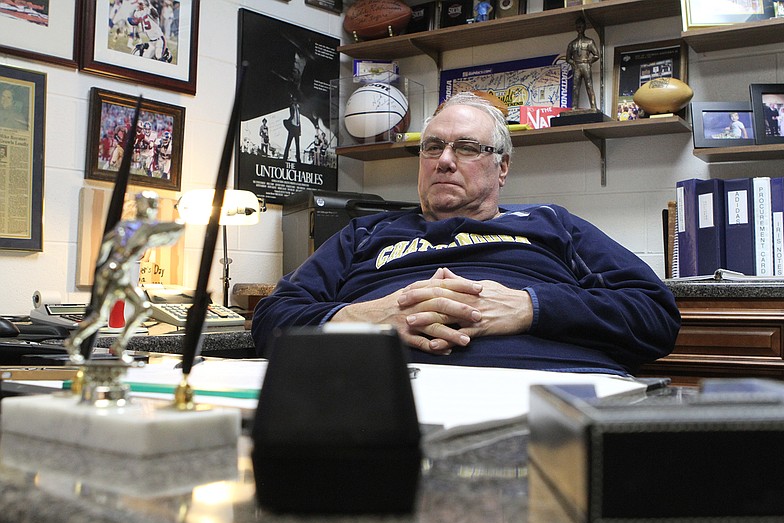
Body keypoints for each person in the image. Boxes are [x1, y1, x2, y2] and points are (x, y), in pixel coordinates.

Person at [251, 92, 681, 376]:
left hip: (549, 393)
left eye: (468, 148)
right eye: (433, 147)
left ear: (503, 166)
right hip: (382, 397)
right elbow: (272, 319)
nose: (444, 161)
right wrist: (365, 319)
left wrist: (531, 307)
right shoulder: (363, 233)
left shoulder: (551, 223)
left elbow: (655, 315)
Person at [65, 191, 184, 364]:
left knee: (137, 308)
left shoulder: (124, 225)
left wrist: (101, 266)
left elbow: (105, 244)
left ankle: (114, 345)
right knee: (101, 316)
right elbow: (173, 229)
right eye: (152, 205)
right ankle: (75, 342)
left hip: (112, 271)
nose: (154, 209)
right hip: (116, 273)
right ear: (143, 206)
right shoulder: (145, 227)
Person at [565, 16, 599, 111]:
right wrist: (573, 63)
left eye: (581, 25)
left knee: (589, 85)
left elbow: (596, 55)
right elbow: (568, 58)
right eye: (578, 26)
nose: (579, 27)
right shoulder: (572, 44)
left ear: (585, 27)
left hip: (586, 65)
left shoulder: (589, 41)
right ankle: (574, 106)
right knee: (575, 87)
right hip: (576, 66)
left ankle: (593, 106)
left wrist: (589, 62)